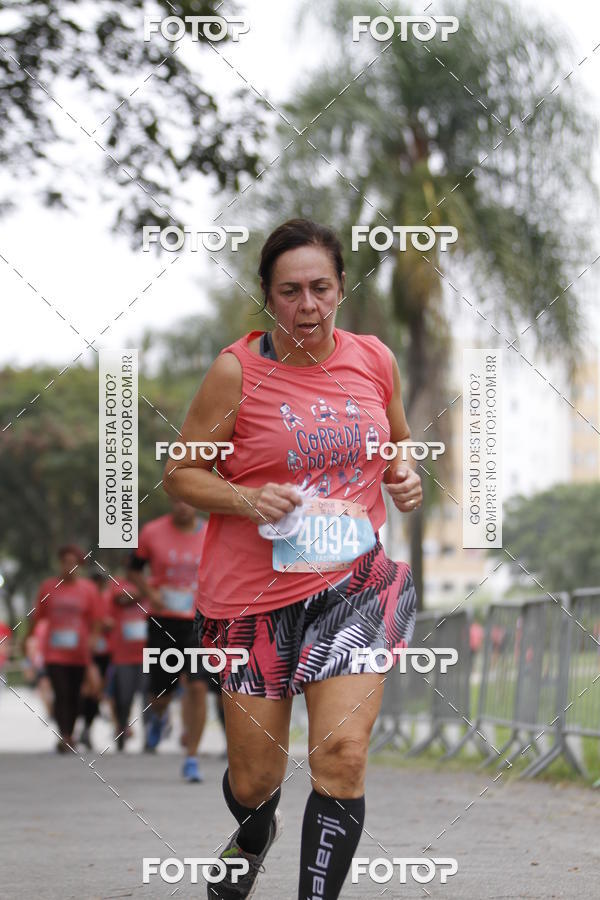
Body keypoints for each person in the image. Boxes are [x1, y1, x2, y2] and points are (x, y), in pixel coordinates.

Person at [163, 218, 422, 899]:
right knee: (256, 779)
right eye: (290, 292)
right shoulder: (236, 370)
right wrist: (249, 501)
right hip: (251, 598)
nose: (307, 306)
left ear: (340, 288)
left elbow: (396, 441)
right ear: (268, 298)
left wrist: (404, 475)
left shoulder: (374, 359)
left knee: (342, 755)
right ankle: (253, 834)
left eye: (321, 288)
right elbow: (181, 476)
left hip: (354, 586)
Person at [127, 500, 219, 782]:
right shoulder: (152, 532)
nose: (183, 506)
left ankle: (191, 757)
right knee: (160, 693)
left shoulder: (210, 532)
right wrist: (149, 593)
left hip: (198, 621)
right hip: (162, 621)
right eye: (177, 500)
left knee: (198, 686)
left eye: (189, 500)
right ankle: (159, 715)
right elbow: (133, 570)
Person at [32, 545, 101, 753]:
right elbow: (38, 617)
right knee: (61, 692)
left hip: (79, 652)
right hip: (55, 652)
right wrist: (30, 643)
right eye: (65, 562)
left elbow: (96, 619)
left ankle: (71, 731)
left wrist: (93, 639)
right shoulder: (48, 587)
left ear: (79, 565)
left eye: (73, 563)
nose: (69, 567)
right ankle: (66, 735)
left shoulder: (88, 589)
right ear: (60, 564)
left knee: (74, 694)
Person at [105, 575, 148, 751]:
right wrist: (144, 591)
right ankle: (121, 731)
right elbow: (121, 597)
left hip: (147, 655)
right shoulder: (118, 583)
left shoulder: (152, 583)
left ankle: (149, 739)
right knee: (124, 698)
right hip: (123, 656)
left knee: (148, 698)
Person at [78, 571, 113, 749]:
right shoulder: (84, 599)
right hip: (85, 651)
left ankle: (86, 728)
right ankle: (78, 725)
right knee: (87, 689)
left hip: (104, 651)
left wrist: (107, 624)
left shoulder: (108, 599)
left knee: (96, 691)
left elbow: (113, 621)